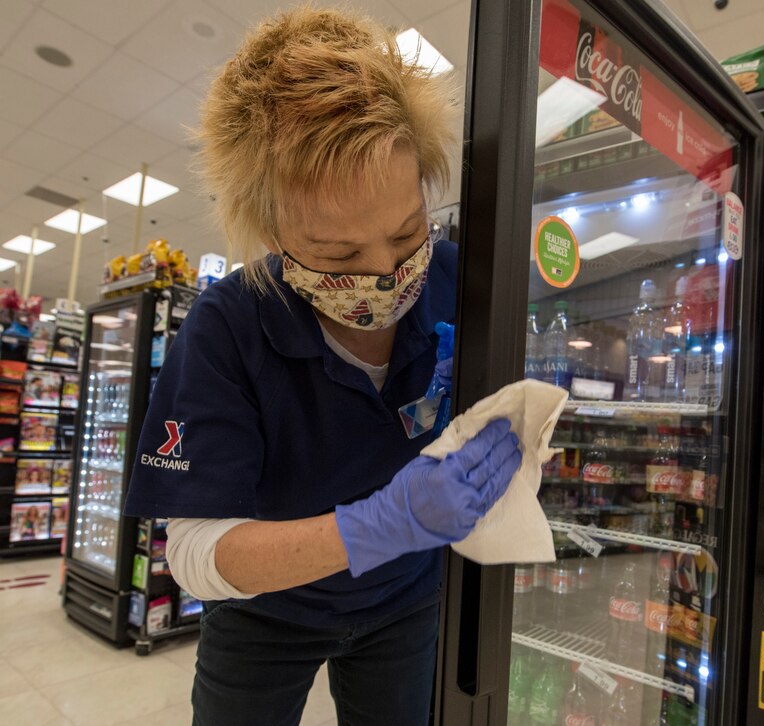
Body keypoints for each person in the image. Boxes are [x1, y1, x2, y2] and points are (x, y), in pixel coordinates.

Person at [122, 7, 522, 726]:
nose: (387, 274)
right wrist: (377, 525)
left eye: (406, 233)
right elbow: (191, 555)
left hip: (406, 600)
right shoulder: (227, 328)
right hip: (263, 613)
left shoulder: (459, 281)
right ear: (271, 230)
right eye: (339, 256)